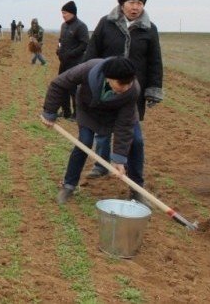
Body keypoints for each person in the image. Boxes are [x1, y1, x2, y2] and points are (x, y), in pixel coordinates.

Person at [83, 0, 162, 187]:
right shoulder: (106, 23)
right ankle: (101, 165)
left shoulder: (149, 29)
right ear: (122, 4)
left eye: (140, 3)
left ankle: (136, 181)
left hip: (133, 91)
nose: (135, 7)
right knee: (102, 132)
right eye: (132, 3)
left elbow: (155, 61)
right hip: (106, 88)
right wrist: (88, 79)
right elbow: (92, 52)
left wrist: (153, 89)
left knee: (135, 139)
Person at [41, 57, 141, 204]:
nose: (125, 88)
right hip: (88, 111)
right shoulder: (88, 69)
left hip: (114, 116)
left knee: (136, 142)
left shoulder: (132, 90)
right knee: (84, 142)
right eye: (121, 83)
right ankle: (69, 185)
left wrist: (119, 158)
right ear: (109, 78)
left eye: (129, 83)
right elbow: (59, 84)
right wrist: (50, 112)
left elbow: (124, 124)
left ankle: (137, 190)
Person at [56, 1, 89, 120]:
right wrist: (58, 49)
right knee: (62, 86)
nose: (63, 15)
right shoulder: (64, 26)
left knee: (73, 89)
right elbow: (60, 41)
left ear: (72, 13)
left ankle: (77, 114)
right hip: (63, 62)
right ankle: (66, 111)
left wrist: (71, 54)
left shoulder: (81, 26)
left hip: (75, 63)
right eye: (62, 13)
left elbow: (84, 44)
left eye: (65, 13)